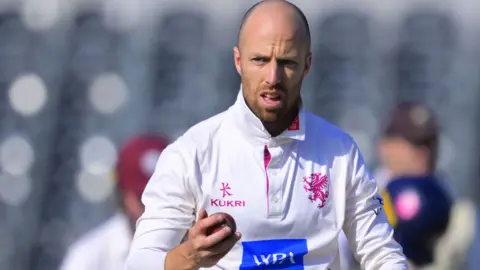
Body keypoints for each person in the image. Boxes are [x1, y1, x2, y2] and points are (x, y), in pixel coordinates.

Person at [126, 1, 407, 269]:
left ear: (307, 66)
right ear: (238, 61)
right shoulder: (191, 153)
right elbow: (140, 262)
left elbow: (381, 253)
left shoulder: (340, 151)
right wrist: (190, 255)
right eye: (260, 60)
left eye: (287, 62)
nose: (273, 78)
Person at [339, 102, 477, 269]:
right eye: (414, 143)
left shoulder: (456, 209)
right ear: (385, 147)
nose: (425, 153)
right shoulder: (355, 198)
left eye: (429, 143)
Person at [60, 134, 168, 270]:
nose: (155, 209)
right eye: (143, 200)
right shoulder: (89, 258)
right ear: (122, 194)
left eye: (165, 198)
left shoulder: (198, 250)